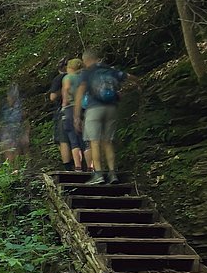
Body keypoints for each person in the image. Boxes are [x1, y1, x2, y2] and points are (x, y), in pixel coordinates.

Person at [73, 48, 139, 185]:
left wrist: (76, 116)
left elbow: (79, 94)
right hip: (111, 108)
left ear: (85, 60)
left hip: (94, 109)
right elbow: (129, 77)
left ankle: (98, 175)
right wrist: (139, 83)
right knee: (107, 141)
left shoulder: (86, 73)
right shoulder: (110, 70)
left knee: (94, 142)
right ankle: (112, 174)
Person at [58, 58, 85, 171]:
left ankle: (78, 166)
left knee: (73, 140)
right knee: (85, 140)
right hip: (82, 108)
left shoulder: (68, 77)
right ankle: (90, 166)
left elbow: (67, 88)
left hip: (70, 109)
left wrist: (64, 103)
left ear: (70, 68)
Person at [47, 58, 71, 169]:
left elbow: (52, 97)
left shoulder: (60, 78)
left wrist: (62, 92)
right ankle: (80, 165)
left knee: (62, 139)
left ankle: (68, 166)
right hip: (79, 109)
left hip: (62, 110)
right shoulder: (79, 77)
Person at [0, 83, 28, 167]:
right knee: (7, 148)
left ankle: (16, 167)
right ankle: (9, 167)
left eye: (9, 97)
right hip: (8, 131)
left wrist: (26, 133)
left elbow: (25, 120)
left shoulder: (19, 107)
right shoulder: (5, 108)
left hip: (16, 131)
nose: (8, 98)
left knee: (15, 150)